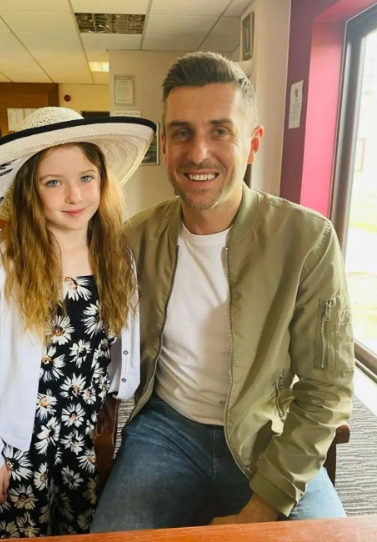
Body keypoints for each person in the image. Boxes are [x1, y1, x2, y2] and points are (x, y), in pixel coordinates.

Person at [91, 52, 355, 532]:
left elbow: (327, 389)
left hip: (267, 434)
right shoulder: (136, 238)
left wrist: (262, 508)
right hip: (164, 431)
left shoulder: (306, 239)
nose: (198, 153)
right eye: (182, 133)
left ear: (252, 144)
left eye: (220, 131)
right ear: (165, 144)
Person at [0, 107, 155, 538]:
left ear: (102, 179)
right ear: (30, 190)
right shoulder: (2, 265)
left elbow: (120, 342)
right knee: (23, 532)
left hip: (83, 435)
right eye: (53, 182)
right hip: (23, 440)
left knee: (80, 530)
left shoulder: (116, 258)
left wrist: (120, 392)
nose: (74, 195)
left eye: (85, 177)